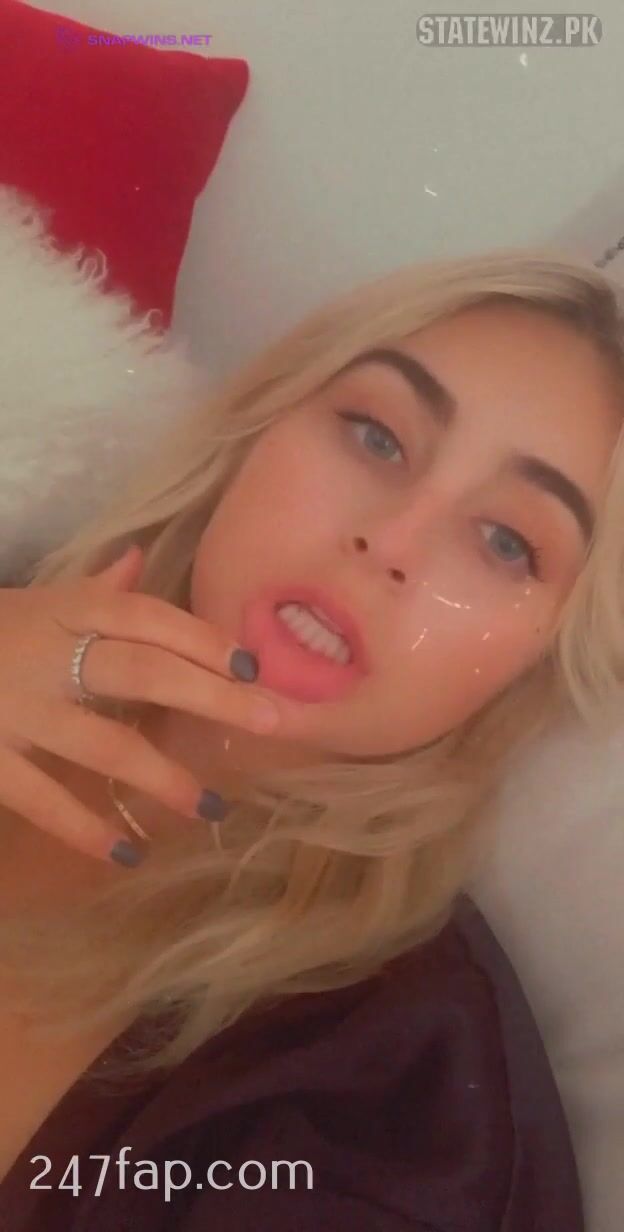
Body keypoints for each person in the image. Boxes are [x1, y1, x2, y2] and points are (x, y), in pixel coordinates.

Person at [0, 246, 621, 1231]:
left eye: (508, 542)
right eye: (378, 435)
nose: (392, 540)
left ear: (544, 661)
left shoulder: (401, 1108)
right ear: (260, 426)